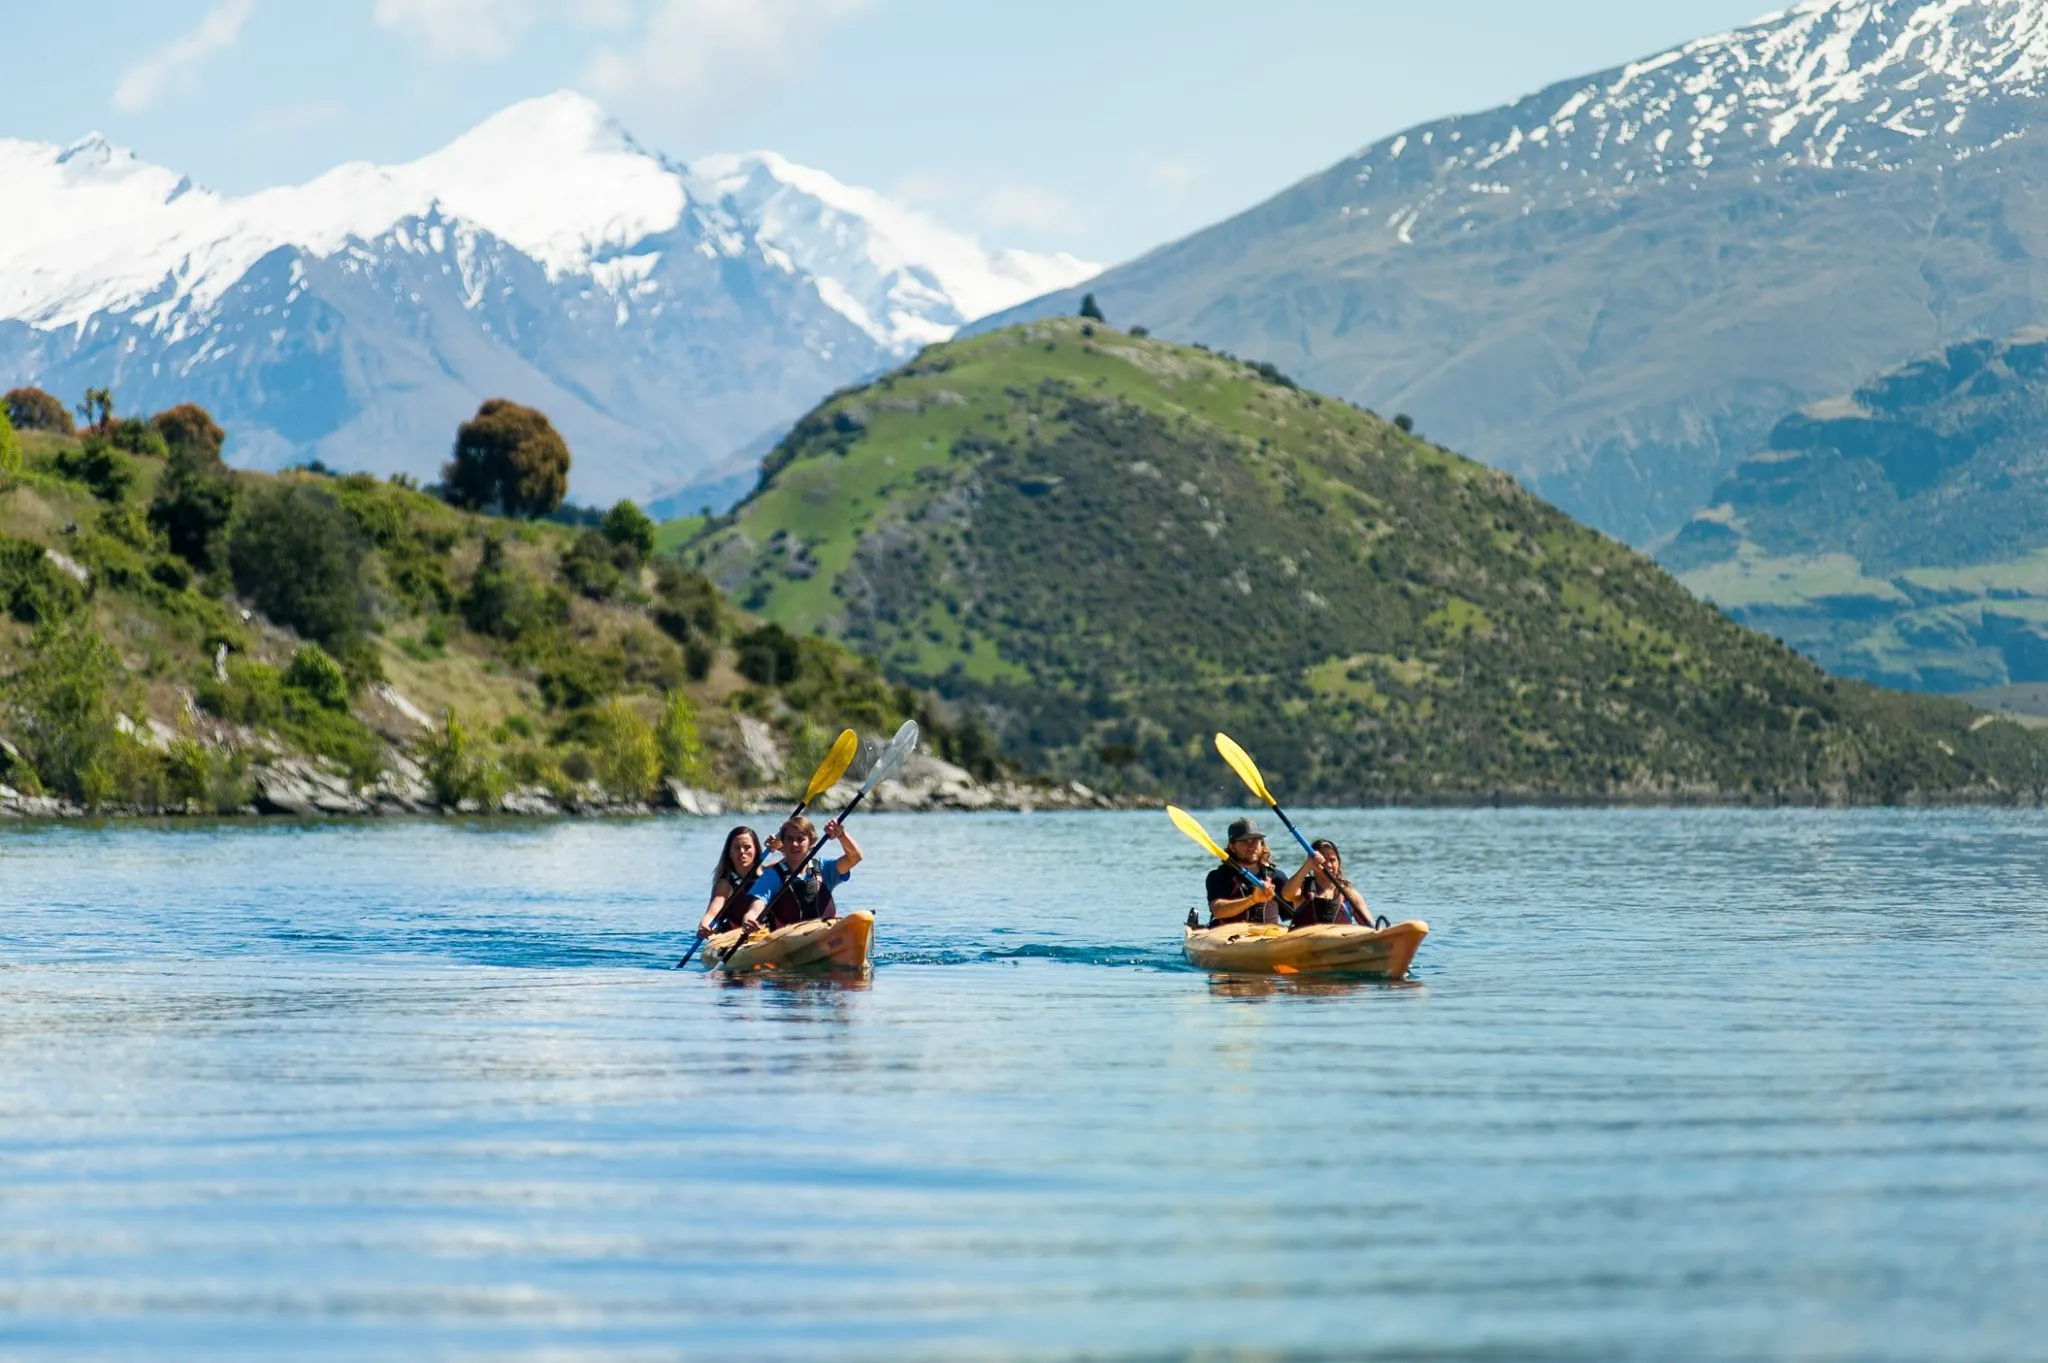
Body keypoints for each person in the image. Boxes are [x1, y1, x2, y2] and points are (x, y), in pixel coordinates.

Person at [736, 815, 863, 934]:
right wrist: (749, 919)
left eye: (800, 839)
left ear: (812, 843)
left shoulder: (824, 867)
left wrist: (841, 835)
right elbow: (756, 907)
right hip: (789, 940)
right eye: (790, 839)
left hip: (825, 933)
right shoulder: (772, 876)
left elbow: (854, 857)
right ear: (783, 844)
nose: (795, 844)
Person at [1204, 817, 1312, 928]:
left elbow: (1294, 913)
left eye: (1255, 841)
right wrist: (1253, 900)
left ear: (1262, 844)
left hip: (1269, 937)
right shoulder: (1219, 876)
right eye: (1244, 841)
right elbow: (1218, 910)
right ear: (1232, 847)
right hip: (1228, 937)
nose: (1251, 846)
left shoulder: (1276, 877)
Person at [695, 826, 765, 940]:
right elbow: (712, 912)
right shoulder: (725, 884)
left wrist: (778, 845)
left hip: (766, 933)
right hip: (734, 937)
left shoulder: (770, 875)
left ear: (756, 850)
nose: (742, 852)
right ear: (729, 853)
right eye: (737, 848)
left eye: (747, 847)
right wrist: (704, 925)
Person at [1291, 838, 1373, 929]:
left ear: (1338, 863)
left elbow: (1372, 928)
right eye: (1324, 861)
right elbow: (1286, 894)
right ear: (1313, 864)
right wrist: (1306, 866)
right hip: (1306, 941)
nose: (1329, 865)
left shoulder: (1350, 895)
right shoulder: (1302, 889)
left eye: (1332, 860)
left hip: (1341, 941)